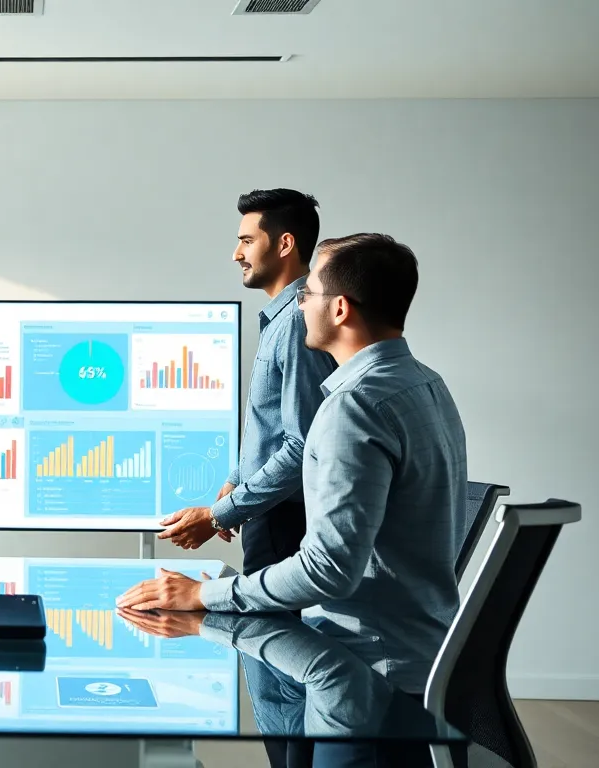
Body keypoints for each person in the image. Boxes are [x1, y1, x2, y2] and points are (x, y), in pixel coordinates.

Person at [119, 233, 469, 698]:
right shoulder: (425, 383)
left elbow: (328, 570)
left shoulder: (355, 407)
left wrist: (201, 596)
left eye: (308, 294)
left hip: (363, 669)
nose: (299, 306)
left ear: (340, 308)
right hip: (416, 649)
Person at [160, 190, 337, 581]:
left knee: (270, 637)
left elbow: (302, 444)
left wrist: (219, 514)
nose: (236, 254)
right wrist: (236, 480)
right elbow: (272, 425)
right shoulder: (282, 319)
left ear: (285, 243)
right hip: (271, 515)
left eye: (246, 241)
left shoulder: (295, 322)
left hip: (286, 521)